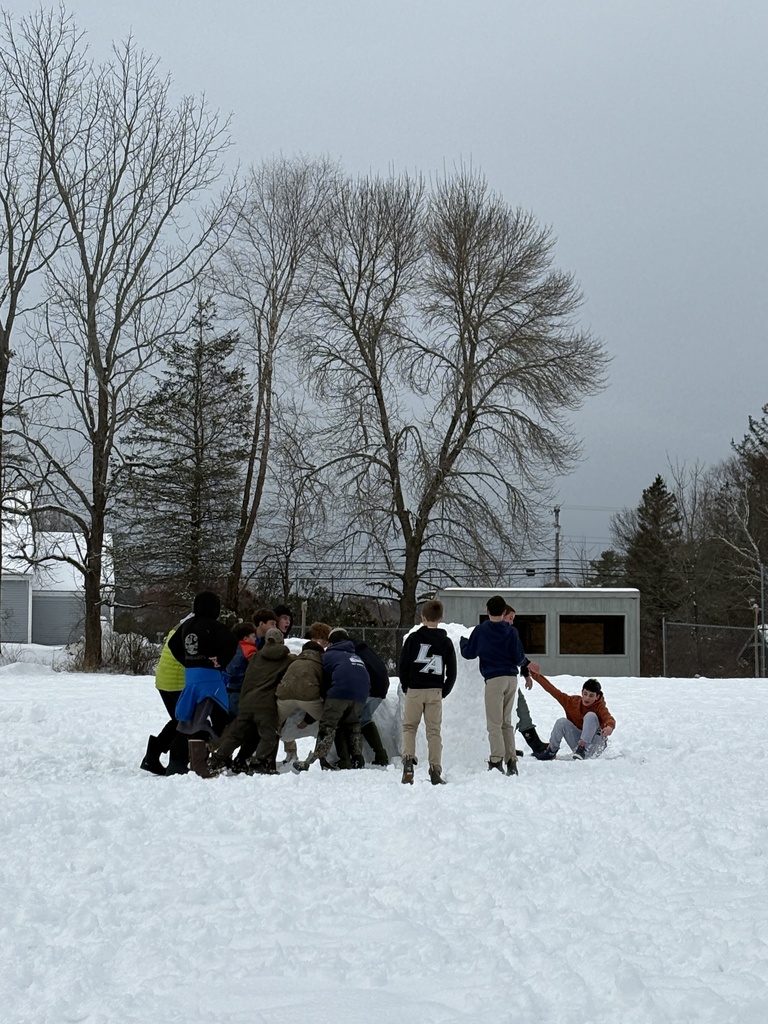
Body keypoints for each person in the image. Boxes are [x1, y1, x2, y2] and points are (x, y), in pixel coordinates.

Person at [459, 594, 539, 776]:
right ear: (504, 612)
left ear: (487, 612)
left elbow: (469, 653)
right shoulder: (512, 632)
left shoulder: (481, 630)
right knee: (506, 722)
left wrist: (464, 642)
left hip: (494, 680)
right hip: (511, 679)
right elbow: (519, 658)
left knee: (494, 723)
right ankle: (511, 760)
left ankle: (496, 760)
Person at [168, 591, 239, 778]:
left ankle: (199, 762)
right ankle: (201, 765)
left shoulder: (187, 625)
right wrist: (220, 660)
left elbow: (173, 645)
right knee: (210, 719)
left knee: (192, 720)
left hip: (191, 677)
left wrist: (188, 661)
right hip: (209, 680)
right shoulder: (215, 627)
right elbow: (232, 643)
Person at [209, 627, 296, 774]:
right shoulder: (287, 660)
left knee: (238, 734)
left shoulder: (256, 657)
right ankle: (258, 763)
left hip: (247, 702)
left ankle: (218, 759)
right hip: (266, 704)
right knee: (269, 735)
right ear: (281, 641)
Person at [293, 627, 370, 773]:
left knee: (327, 726)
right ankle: (358, 758)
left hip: (340, 693)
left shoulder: (330, 655)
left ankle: (317, 760)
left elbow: (325, 679)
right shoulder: (355, 656)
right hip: (361, 695)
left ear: (331, 642)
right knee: (353, 725)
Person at [398, 599, 456, 785]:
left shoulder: (413, 639)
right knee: (433, 731)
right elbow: (452, 671)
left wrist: (406, 685)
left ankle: (408, 760)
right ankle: (435, 769)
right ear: (441, 618)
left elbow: (403, 665)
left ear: (422, 616)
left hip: (415, 688)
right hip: (434, 690)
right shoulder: (446, 642)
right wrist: (444, 690)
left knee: (409, 727)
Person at [140, 612, 193, 776]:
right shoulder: (193, 630)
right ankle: (176, 762)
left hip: (164, 682)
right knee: (186, 722)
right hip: (178, 682)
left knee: (178, 720)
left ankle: (152, 755)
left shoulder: (178, 627)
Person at [276, 622, 332, 762]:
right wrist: (308, 720)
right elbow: (323, 689)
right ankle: (322, 757)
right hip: (309, 698)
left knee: (273, 726)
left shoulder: (294, 659)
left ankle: (264, 758)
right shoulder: (320, 662)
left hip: (284, 695)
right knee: (329, 723)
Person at [529, 671, 615, 760]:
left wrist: (609, 727)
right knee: (561, 722)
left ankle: (583, 747)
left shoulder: (599, 707)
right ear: (582, 692)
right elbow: (552, 690)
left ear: (597, 697)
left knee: (590, 716)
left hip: (595, 745)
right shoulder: (572, 702)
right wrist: (534, 675)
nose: (587, 698)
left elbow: (608, 718)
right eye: (585, 694)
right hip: (578, 748)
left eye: (591, 696)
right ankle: (551, 752)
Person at [333, 635, 391, 767]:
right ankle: (381, 754)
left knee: (345, 719)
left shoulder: (349, 652)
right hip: (382, 688)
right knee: (365, 719)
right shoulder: (365, 649)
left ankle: (349, 758)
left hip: (367, 688)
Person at [502, 605, 548, 756]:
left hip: (511, 679)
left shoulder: (511, 633)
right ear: (502, 615)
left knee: (521, 709)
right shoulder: (497, 633)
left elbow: (518, 653)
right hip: (498, 680)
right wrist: (529, 665)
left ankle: (535, 745)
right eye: (510, 618)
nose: (512, 622)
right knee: (509, 714)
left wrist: (526, 673)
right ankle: (506, 746)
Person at [224, 621, 258, 719]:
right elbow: (256, 666)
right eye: (253, 636)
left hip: (229, 687)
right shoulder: (250, 649)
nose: (255, 639)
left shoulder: (232, 648)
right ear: (245, 638)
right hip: (241, 688)